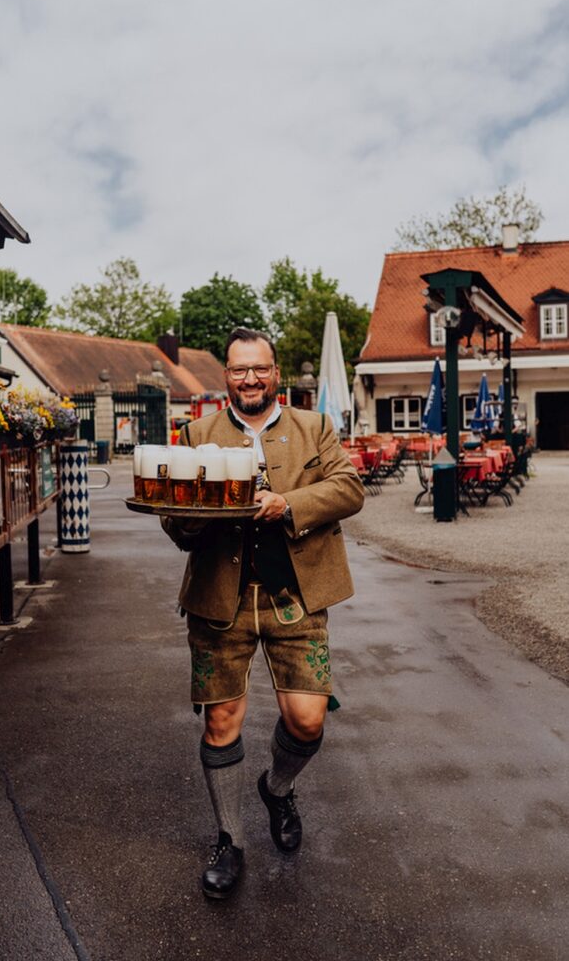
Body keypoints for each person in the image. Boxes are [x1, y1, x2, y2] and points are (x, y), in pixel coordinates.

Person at [161, 327, 364, 898]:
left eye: (259, 369)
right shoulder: (196, 433)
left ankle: (276, 788)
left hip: (294, 598)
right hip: (217, 602)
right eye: (237, 369)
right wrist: (195, 517)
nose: (249, 378)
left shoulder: (314, 427)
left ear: (275, 373)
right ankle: (230, 839)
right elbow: (173, 520)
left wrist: (287, 503)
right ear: (225, 374)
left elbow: (349, 488)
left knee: (308, 718)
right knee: (220, 722)